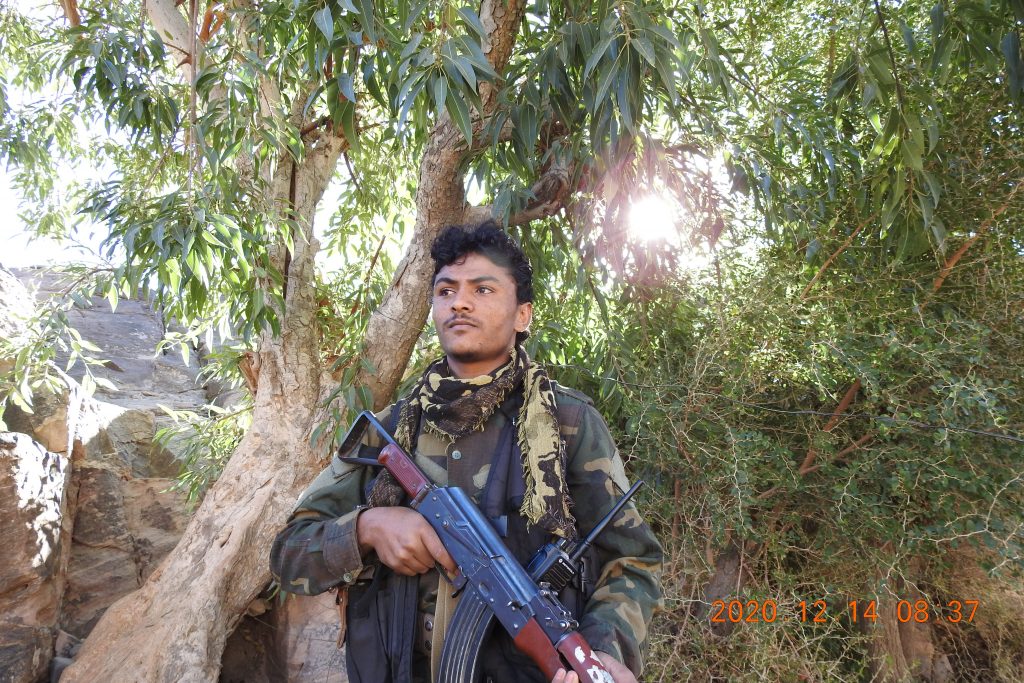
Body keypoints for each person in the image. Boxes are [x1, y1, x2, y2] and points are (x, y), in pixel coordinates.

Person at [270, 222, 663, 683]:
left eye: (483, 289)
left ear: (522, 315)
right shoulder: (392, 431)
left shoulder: (567, 424)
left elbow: (633, 560)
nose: (459, 302)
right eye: (446, 290)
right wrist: (368, 528)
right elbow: (289, 553)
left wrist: (601, 653)